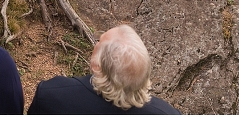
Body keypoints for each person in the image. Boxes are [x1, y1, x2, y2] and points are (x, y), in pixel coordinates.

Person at [28, 25, 180, 115]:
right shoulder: (168, 113)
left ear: (96, 65)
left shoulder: (51, 95)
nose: (96, 43)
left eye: (99, 41)